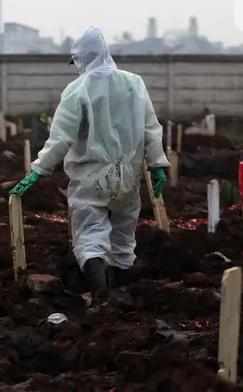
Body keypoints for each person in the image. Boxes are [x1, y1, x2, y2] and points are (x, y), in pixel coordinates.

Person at [9, 26, 168, 299]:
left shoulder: (77, 89)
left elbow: (60, 137)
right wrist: (157, 163)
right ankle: (120, 295)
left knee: (90, 235)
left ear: (81, 58)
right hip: (128, 175)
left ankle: (101, 296)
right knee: (123, 238)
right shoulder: (134, 83)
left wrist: (38, 170)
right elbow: (151, 127)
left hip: (92, 176)